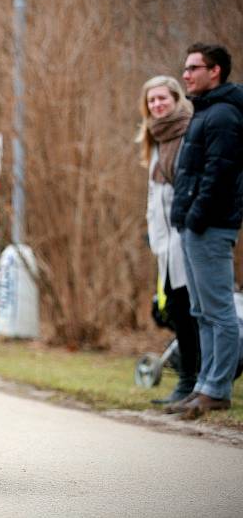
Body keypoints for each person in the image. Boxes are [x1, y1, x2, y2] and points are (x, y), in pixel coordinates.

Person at [167, 43, 243, 419]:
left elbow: (219, 173)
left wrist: (195, 216)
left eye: (194, 68)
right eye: (186, 68)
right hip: (194, 226)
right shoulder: (205, 111)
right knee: (200, 310)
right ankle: (204, 387)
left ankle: (218, 388)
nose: (186, 74)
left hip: (210, 226)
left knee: (219, 310)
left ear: (215, 72)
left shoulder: (225, 114)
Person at [135, 75, 200, 406]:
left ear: (177, 100)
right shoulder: (155, 138)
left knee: (187, 309)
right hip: (164, 242)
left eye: (163, 98)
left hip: (186, 236)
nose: (157, 105)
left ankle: (192, 382)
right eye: (151, 100)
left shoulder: (188, 133)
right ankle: (191, 381)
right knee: (175, 308)